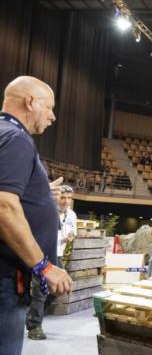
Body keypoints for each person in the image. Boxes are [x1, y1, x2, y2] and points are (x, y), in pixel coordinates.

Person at [0, 76, 73, 354]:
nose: (52, 116)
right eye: (49, 107)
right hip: (4, 279)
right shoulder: (16, 138)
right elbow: (4, 207)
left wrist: (39, 194)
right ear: (30, 102)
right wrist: (43, 266)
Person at [25, 184, 77, 340]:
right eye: (62, 197)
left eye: (68, 198)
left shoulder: (72, 215)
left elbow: (72, 231)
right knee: (40, 292)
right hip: (43, 256)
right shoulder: (46, 211)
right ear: (56, 196)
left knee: (60, 289)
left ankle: (32, 314)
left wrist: (72, 236)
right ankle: (35, 326)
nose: (65, 201)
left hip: (58, 256)